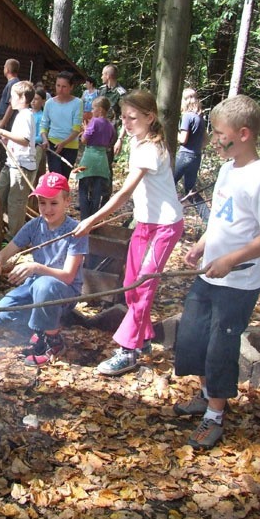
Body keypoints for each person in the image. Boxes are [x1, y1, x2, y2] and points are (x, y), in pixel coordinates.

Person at [172, 94, 260, 450]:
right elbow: (220, 217)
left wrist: (231, 260)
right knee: (193, 338)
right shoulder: (226, 168)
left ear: (244, 133)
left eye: (220, 133)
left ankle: (215, 417)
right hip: (209, 274)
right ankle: (206, 396)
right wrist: (203, 244)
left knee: (220, 347)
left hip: (237, 283)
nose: (215, 139)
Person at [74, 89, 184, 376]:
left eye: (133, 117)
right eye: (123, 117)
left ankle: (128, 350)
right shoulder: (138, 140)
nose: (126, 123)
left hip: (165, 226)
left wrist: (92, 220)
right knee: (131, 282)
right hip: (145, 223)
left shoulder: (151, 148)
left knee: (142, 286)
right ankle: (144, 337)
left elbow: (124, 193)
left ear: (150, 117)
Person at [0, 172, 88, 367]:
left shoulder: (76, 231)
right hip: (36, 287)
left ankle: (52, 342)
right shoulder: (34, 226)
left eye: (54, 203)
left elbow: (67, 277)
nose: (47, 209)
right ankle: (42, 328)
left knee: (44, 284)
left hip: (64, 291)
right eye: (42, 203)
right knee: (0, 314)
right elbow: (1, 256)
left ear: (67, 201)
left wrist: (35, 267)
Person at [0, 80, 37, 238]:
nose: (10, 101)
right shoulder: (21, 115)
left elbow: (25, 140)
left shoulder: (26, 115)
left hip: (22, 166)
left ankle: (14, 239)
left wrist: (2, 132)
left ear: (23, 98)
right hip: (11, 162)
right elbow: (19, 140)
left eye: (12, 97)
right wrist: (6, 140)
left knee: (16, 203)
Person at [76, 96, 115, 220]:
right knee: (97, 192)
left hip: (90, 157)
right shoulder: (110, 125)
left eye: (93, 109)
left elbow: (84, 139)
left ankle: (84, 217)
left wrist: (85, 130)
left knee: (83, 188)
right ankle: (93, 220)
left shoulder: (95, 121)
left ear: (100, 109)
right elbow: (110, 141)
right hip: (102, 159)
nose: (92, 111)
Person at [174, 88, 210, 222]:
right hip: (196, 157)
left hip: (184, 156)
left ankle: (167, 219)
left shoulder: (187, 116)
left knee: (167, 185)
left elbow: (183, 139)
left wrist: (170, 132)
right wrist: (195, 148)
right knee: (190, 191)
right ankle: (208, 220)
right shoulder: (199, 118)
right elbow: (206, 140)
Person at [40, 71, 82, 178]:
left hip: (70, 146)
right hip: (53, 145)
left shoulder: (77, 103)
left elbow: (76, 129)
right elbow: (44, 124)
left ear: (71, 87)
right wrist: (45, 139)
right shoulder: (49, 103)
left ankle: (63, 195)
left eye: (64, 86)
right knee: (55, 177)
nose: (60, 89)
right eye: (58, 85)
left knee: (64, 178)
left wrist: (64, 143)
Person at [0, 59, 20, 171]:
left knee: (2, 151)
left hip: (6, 123)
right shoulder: (12, 83)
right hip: (4, 120)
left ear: (8, 69)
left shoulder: (13, 83)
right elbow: (7, 103)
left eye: (4, 67)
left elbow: (11, 105)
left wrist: (2, 123)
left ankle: (3, 177)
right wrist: (0, 105)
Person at [31, 87, 48, 179]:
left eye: (36, 99)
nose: (33, 101)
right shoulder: (27, 113)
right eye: (32, 98)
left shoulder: (42, 116)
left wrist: (29, 140)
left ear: (43, 101)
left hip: (37, 147)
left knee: (35, 173)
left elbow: (41, 136)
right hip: (25, 146)